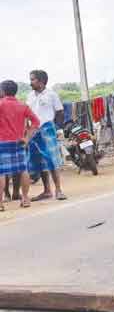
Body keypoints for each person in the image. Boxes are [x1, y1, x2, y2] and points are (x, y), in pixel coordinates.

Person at [26, 70, 66, 201]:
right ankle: (47, 191)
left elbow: (60, 112)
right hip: (33, 131)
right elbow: (27, 114)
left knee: (52, 160)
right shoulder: (30, 96)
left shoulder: (51, 95)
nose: (30, 82)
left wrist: (59, 129)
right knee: (40, 162)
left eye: (33, 79)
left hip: (47, 129)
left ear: (41, 81)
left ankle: (59, 190)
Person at [0, 80, 40, 210]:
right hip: (20, 142)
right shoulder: (23, 105)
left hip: (2, 142)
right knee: (23, 170)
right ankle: (25, 199)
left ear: (3, 91)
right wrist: (27, 138)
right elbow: (36, 122)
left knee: (1, 172)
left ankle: (0, 203)